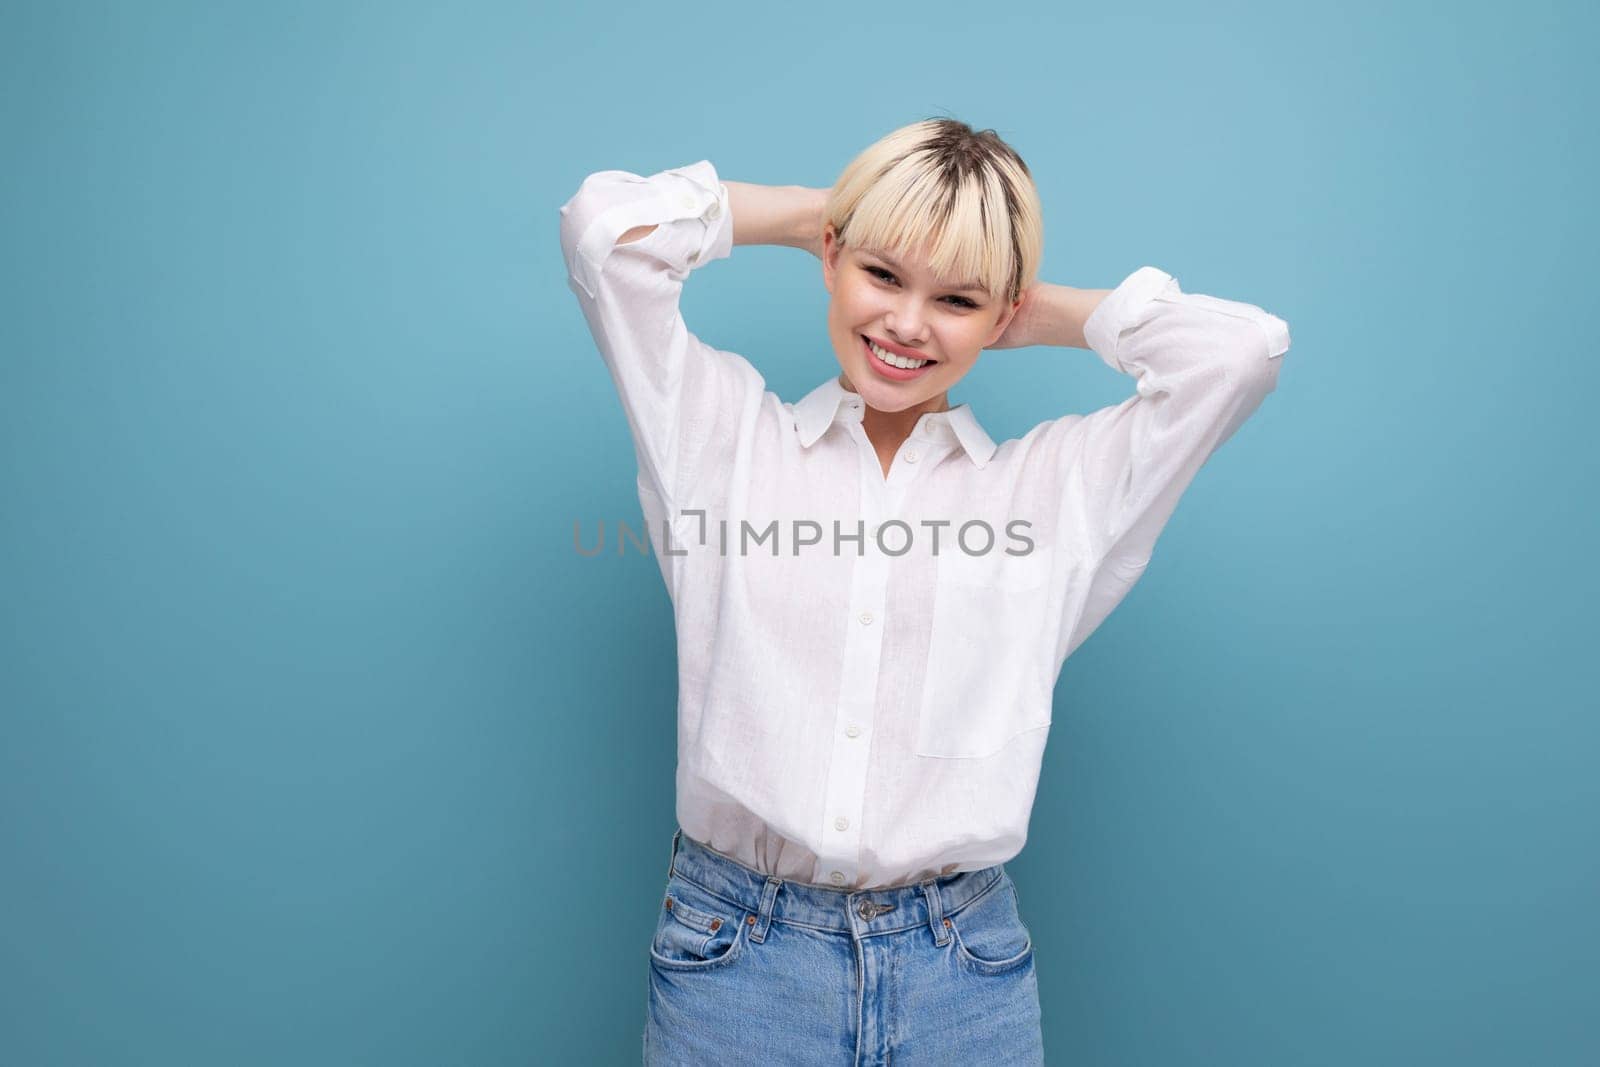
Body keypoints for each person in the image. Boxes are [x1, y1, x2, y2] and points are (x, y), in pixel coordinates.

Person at [558, 117, 1291, 1065]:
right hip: (735, 965)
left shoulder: (1053, 491)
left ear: (1002, 313)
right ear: (834, 258)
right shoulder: (720, 440)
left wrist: (1040, 310)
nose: (908, 323)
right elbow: (604, 233)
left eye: (956, 297)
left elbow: (1239, 356)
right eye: (883, 274)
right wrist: (840, 213)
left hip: (964, 980)